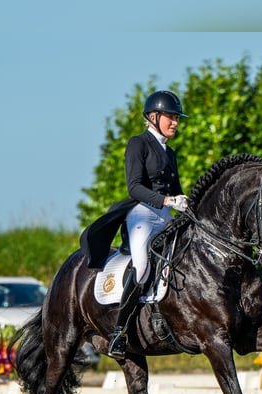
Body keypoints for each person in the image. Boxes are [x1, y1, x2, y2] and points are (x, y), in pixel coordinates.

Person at [79, 89, 189, 359]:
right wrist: (167, 200)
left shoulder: (170, 153)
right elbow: (135, 187)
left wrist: (186, 204)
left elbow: (176, 189)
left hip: (165, 217)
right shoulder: (137, 144)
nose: (175, 122)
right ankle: (119, 332)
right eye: (171, 117)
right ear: (153, 117)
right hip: (142, 216)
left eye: (177, 118)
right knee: (140, 269)